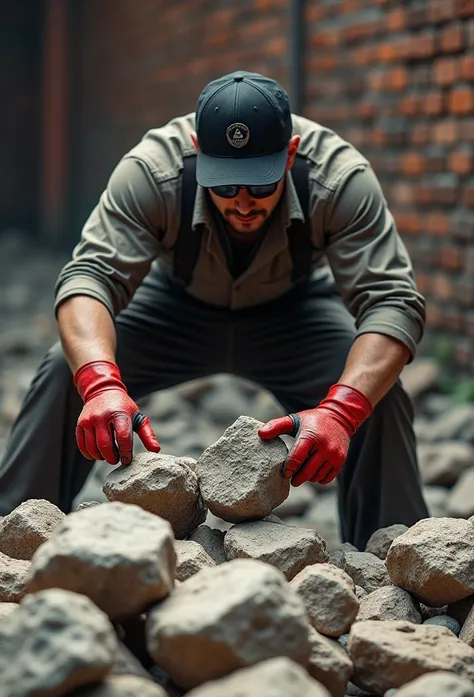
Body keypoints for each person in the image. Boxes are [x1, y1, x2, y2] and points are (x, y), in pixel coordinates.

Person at [0, 71, 428, 549]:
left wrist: (342, 412)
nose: (242, 204)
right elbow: (89, 278)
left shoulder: (340, 178)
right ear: (197, 149)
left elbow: (393, 301)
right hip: (173, 308)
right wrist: (100, 384)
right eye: (224, 186)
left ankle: (407, 560)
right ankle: (15, 537)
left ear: (289, 155)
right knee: (67, 370)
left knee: (378, 396)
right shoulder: (151, 171)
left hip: (295, 316)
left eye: (259, 186)